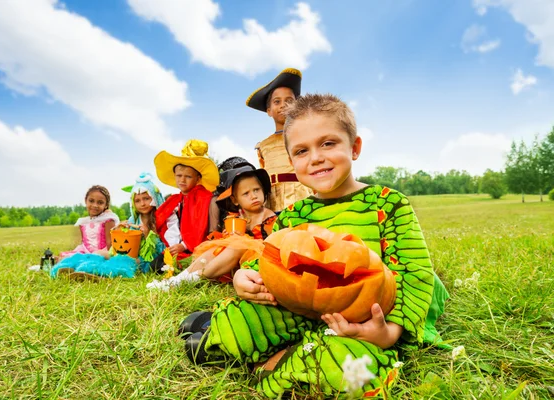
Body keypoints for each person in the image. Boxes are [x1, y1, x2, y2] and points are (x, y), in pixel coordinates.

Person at [181, 94, 449, 398]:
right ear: (292, 162)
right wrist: (245, 277)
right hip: (296, 308)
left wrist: (389, 332)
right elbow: (267, 257)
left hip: (360, 322)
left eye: (328, 144)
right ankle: (226, 338)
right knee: (241, 320)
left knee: (350, 368)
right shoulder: (294, 215)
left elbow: (414, 275)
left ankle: (283, 368)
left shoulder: (388, 204)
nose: (316, 157)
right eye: (301, 151)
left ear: (355, 147)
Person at [146, 164, 276, 290]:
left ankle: (195, 278)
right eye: (246, 193)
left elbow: (274, 242)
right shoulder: (237, 217)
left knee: (239, 246)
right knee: (216, 247)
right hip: (232, 264)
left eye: (256, 190)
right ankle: (178, 279)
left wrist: (242, 240)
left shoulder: (267, 216)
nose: (253, 196)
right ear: (235, 200)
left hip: (257, 260)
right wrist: (229, 236)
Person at [247, 68, 313, 212]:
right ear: (269, 110)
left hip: (301, 196)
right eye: (277, 102)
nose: (283, 105)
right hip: (272, 199)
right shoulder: (263, 146)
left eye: (289, 101)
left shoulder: (307, 137)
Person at [154, 140, 220, 263]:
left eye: (188, 177)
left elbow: (200, 228)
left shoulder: (204, 197)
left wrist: (184, 246)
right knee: (155, 265)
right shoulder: (174, 200)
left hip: (196, 249)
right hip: (175, 247)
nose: (182, 180)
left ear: (198, 178)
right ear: (174, 176)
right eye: (179, 176)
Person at [116, 173, 166, 273]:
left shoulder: (160, 220)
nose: (142, 204)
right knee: (116, 258)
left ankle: (113, 271)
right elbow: (127, 246)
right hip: (135, 255)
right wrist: (122, 232)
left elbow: (163, 249)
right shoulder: (133, 220)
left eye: (146, 199)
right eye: (137, 201)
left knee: (132, 263)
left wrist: (148, 234)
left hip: (155, 259)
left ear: (154, 198)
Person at [60, 185, 119, 259]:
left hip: (102, 253)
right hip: (86, 251)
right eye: (91, 201)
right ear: (86, 201)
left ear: (106, 205)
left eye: (100, 203)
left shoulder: (108, 220)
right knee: (69, 257)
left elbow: (111, 244)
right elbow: (83, 243)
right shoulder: (83, 222)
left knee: (97, 255)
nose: (95, 205)